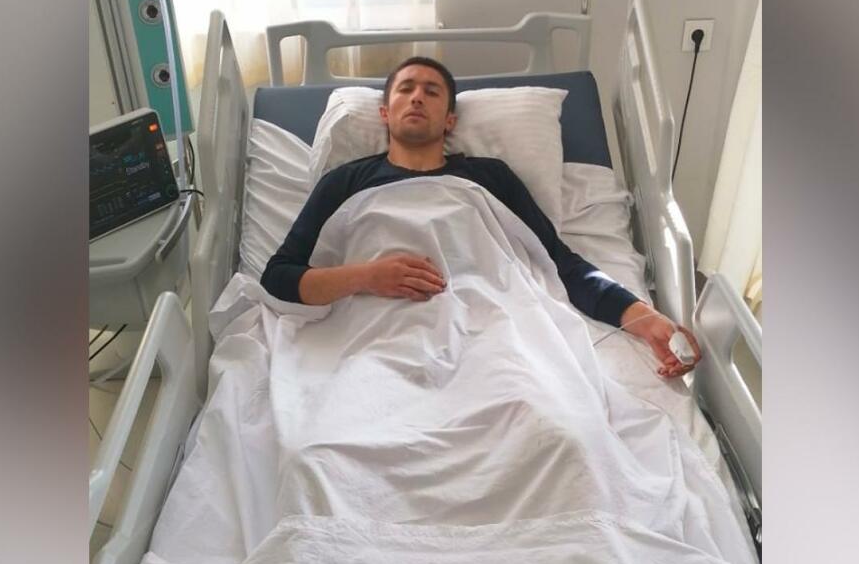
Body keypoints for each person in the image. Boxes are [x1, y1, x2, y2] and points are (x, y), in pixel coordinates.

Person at [262, 55, 700, 377]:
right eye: (405, 89)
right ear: (384, 112)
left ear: (450, 120)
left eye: (432, 92)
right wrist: (366, 276)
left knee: (553, 433)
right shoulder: (345, 180)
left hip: (487, 330)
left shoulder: (490, 177)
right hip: (374, 336)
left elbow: (560, 263)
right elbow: (279, 276)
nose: (417, 97)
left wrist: (646, 319)